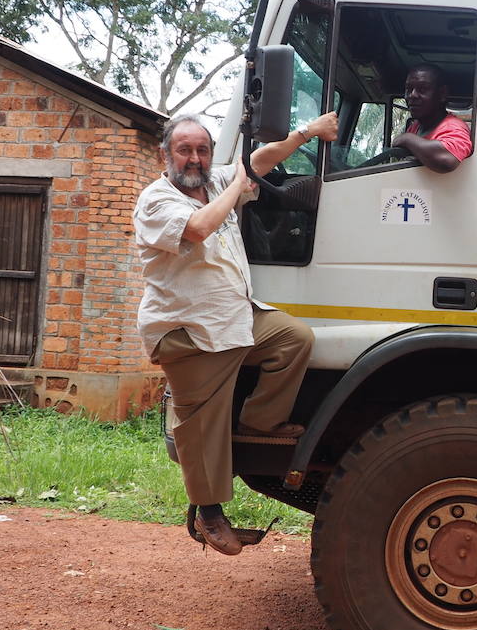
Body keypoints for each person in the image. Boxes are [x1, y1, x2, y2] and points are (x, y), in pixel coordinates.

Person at [134, 111, 336, 555]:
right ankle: (208, 514)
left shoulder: (215, 181)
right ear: (164, 154)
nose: (194, 158)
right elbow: (199, 227)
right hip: (188, 330)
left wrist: (307, 132)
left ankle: (258, 424)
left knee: (294, 339)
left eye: (202, 150)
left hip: (235, 317)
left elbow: (261, 160)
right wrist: (234, 189)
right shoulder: (155, 201)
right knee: (200, 424)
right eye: (184, 150)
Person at [391, 63, 473, 173]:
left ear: (442, 94)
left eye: (423, 89)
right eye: (409, 89)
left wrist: (407, 139)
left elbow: (447, 160)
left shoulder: (453, 126)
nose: (412, 95)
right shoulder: (416, 126)